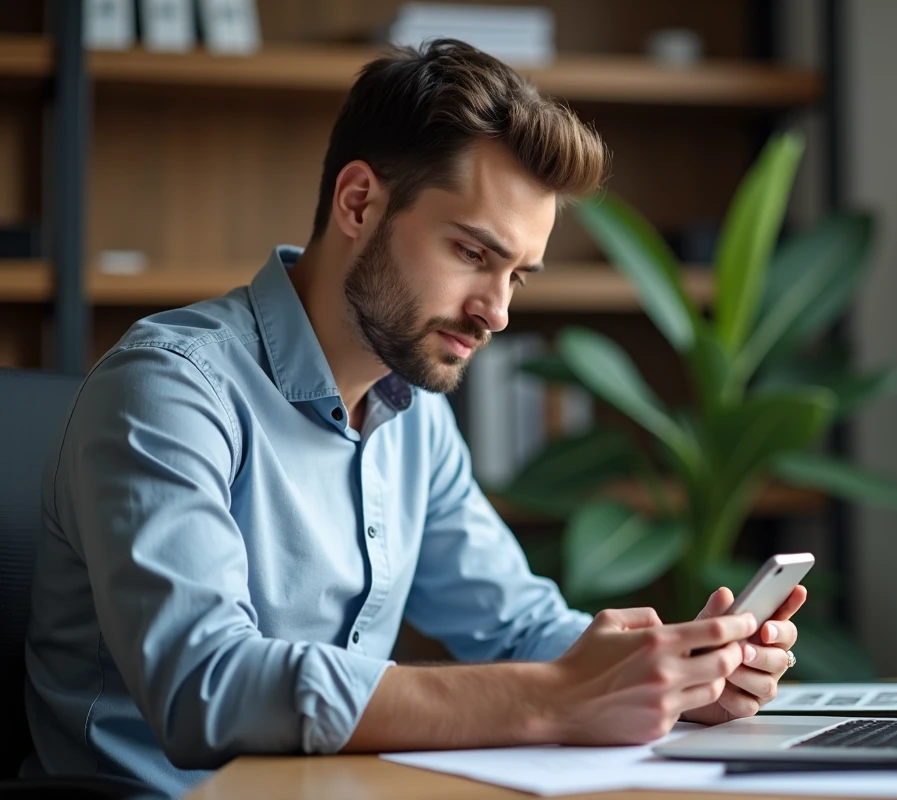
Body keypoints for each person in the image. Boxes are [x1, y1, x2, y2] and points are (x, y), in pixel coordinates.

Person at [23, 39, 806, 796]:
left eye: (517, 277)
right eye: (472, 253)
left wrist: (669, 672)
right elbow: (208, 685)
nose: (496, 313)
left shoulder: (414, 411)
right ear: (359, 202)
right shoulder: (171, 388)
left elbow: (514, 626)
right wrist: (555, 698)